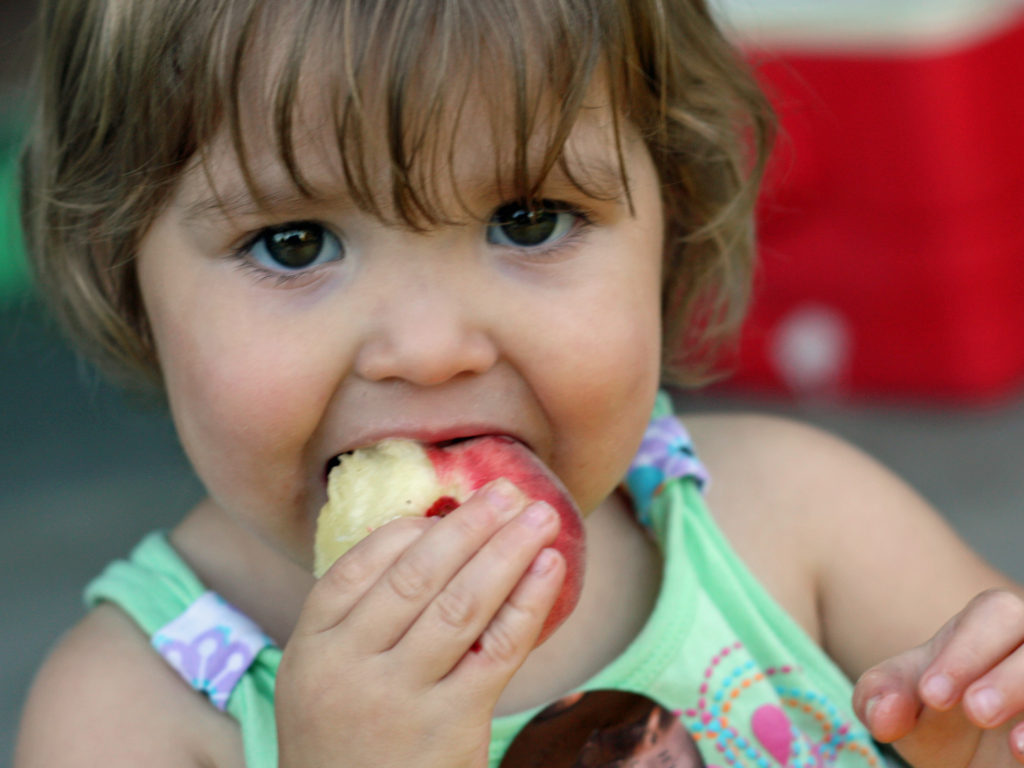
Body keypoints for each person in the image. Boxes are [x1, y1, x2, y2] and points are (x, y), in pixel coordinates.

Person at [12, 0, 1024, 766]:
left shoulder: (798, 529)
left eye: (528, 220)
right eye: (293, 242)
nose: (427, 348)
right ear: (123, 270)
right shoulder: (132, 714)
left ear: (669, 221)